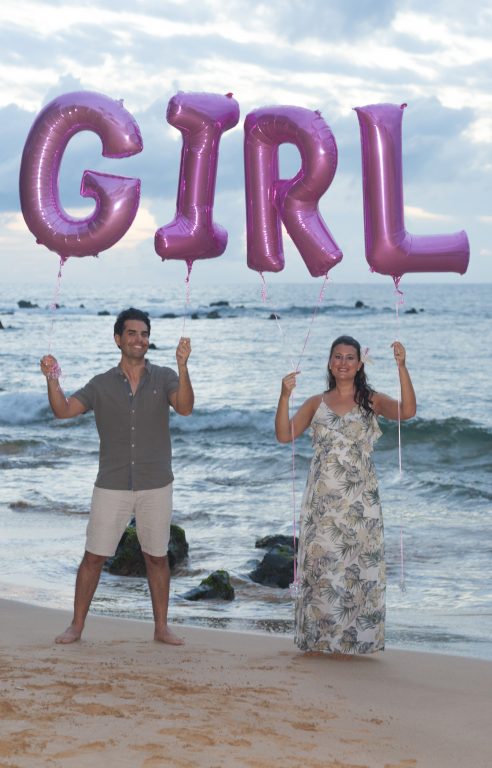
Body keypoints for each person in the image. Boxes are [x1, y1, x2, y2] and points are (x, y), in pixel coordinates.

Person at [40, 307, 194, 646]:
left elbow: (184, 407)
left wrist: (183, 366)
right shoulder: (101, 384)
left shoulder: (166, 376)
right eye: (132, 333)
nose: (139, 339)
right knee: (94, 556)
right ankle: (76, 626)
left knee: (157, 557)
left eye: (144, 334)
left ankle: (161, 628)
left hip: (156, 482)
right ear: (118, 339)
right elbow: (62, 410)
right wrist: (52, 378)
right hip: (111, 483)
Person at [275, 335, 416, 655]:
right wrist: (284, 396)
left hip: (360, 502)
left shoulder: (372, 401)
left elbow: (408, 411)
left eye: (350, 357)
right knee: (322, 568)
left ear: (359, 364)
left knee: (357, 568)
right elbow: (284, 435)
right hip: (322, 502)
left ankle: (355, 643)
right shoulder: (315, 403)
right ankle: (320, 641)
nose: (343, 362)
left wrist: (402, 367)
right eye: (337, 356)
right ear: (329, 363)